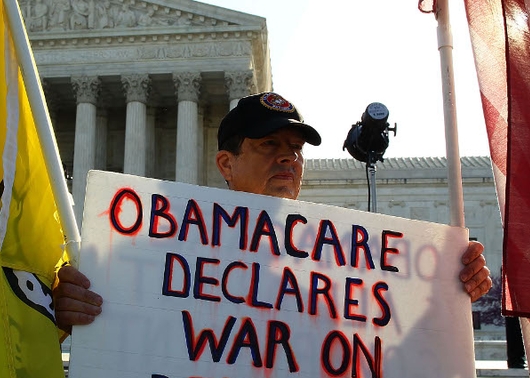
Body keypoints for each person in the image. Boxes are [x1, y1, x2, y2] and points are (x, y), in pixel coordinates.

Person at [51, 92, 493, 333]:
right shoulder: (158, 254)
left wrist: (449, 291)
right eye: (269, 146)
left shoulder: (338, 261)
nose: (288, 160)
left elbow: (390, 342)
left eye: (295, 150)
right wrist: (76, 316)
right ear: (227, 163)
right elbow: (133, 344)